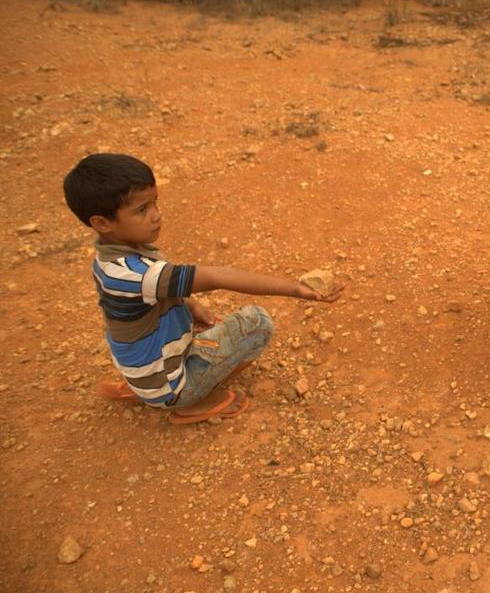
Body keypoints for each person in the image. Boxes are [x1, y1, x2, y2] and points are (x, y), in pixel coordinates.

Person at [63, 153, 342, 424]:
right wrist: (295, 289)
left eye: (154, 203)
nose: (156, 215)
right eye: (141, 210)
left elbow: (142, 306)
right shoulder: (142, 274)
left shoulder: (111, 261)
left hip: (145, 370)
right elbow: (219, 276)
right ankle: (190, 401)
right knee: (257, 323)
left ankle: (147, 388)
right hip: (167, 384)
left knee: (206, 321)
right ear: (102, 223)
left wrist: (190, 305)